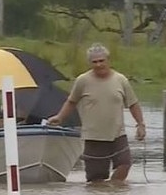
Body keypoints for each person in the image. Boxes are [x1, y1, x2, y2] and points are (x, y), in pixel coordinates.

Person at [48, 43, 146, 184]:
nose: (99, 65)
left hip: (118, 134)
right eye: (95, 62)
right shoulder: (82, 81)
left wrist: (140, 124)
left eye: (101, 61)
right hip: (93, 137)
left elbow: (133, 104)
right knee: (96, 179)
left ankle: (114, 193)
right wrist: (59, 117)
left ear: (108, 60)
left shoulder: (121, 80)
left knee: (124, 165)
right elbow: (71, 102)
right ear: (90, 63)